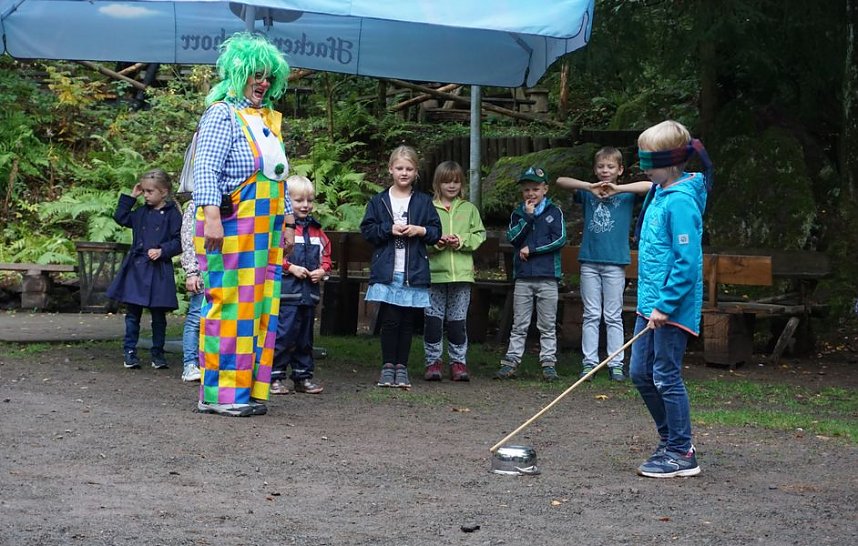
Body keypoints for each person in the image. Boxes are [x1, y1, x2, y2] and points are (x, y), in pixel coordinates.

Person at [192, 33, 296, 417]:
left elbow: (279, 177)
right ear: (237, 74)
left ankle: (247, 389)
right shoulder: (222, 113)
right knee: (231, 307)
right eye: (255, 74)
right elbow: (206, 168)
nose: (263, 83)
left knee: (260, 309)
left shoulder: (267, 119)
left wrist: (286, 222)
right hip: (233, 225)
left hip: (265, 232)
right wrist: (213, 219)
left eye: (269, 76)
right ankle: (219, 395)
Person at [630, 120, 713, 478]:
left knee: (665, 375)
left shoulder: (680, 201)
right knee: (639, 372)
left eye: (648, 161)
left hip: (670, 306)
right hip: (649, 302)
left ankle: (682, 451)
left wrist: (665, 305)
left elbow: (687, 261)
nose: (643, 166)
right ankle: (671, 440)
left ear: (670, 162)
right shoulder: (660, 190)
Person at [556, 148, 653, 382]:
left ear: (620, 170)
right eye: (601, 166)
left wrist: (618, 188)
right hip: (589, 261)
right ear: (595, 169)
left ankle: (615, 362)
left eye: (610, 167)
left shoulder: (626, 194)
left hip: (615, 263)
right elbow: (560, 181)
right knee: (590, 314)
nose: (605, 171)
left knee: (612, 315)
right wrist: (590, 186)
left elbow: (651, 187)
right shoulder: (589, 193)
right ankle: (589, 362)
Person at [360, 145, 441, 388]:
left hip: (413, 271)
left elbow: (436, 233)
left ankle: (402, 367)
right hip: (388, 270)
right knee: (390, 320)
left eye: (409, 169)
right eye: (399, 168)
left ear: (416, 172)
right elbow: (368, 230)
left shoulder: (424, 202)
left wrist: (420, 230)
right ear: (390, 170)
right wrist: (388, 229)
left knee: (407, 322)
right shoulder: (379, 201)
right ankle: (387, 366)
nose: (404, 173)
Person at [495, 166, 567, 382]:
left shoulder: (554, 212)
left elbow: (559, 239)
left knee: (547, 324)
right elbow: (513, 238)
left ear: (545, 189)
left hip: (548, 278)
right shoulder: (518, 213)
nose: (531, 194)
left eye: (535, 189)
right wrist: (527, 218)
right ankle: (511, 362)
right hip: (524, 278)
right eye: (526, 190)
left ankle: (548, 364)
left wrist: (533, 248)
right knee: (519, 323)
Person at [107, 169, 182, 370]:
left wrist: (162, 250)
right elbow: (121, 217)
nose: (146, 195)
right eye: (144, 191)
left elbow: (179, 241)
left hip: (159, 271)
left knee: (159, 316)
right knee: (133, 314)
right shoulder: (140, 213)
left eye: (150, 191)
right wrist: (132, 196)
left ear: (164, 192)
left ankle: (158, 353)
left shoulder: (173, 215)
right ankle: (129, 352)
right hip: (137, 269)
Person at [423, 161, 486, 382]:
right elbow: (421, 238)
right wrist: (436, 242)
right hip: (434, 274)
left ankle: (458, 362)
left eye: (456, 181)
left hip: (461, 274)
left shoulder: (469, 209)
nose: (452, 185)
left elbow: (479, 235)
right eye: (447, 181)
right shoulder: (427, 208)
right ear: (437, 184)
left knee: (457, 321)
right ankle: (433, 362)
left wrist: (461, 240)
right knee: (433, 320)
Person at [270, 175, 331, 396]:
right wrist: (290, 267)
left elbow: (326, 256)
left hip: (309, 294)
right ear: (288, 202)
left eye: (309, 200)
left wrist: (322, 270)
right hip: (287, 294)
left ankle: (303, 377)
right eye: (298, 201)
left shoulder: (317, 231)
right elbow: (273, 256)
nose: (305, 205)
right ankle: (274, 376)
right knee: (283, 335)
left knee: (305, 338)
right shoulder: (283, 230)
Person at [179, 198, 203, 383]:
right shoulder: (195, 206)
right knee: (195, 319)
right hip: (202, 272)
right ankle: (190, 364)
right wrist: (192, 271)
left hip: (226, 273)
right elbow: (188, 241)